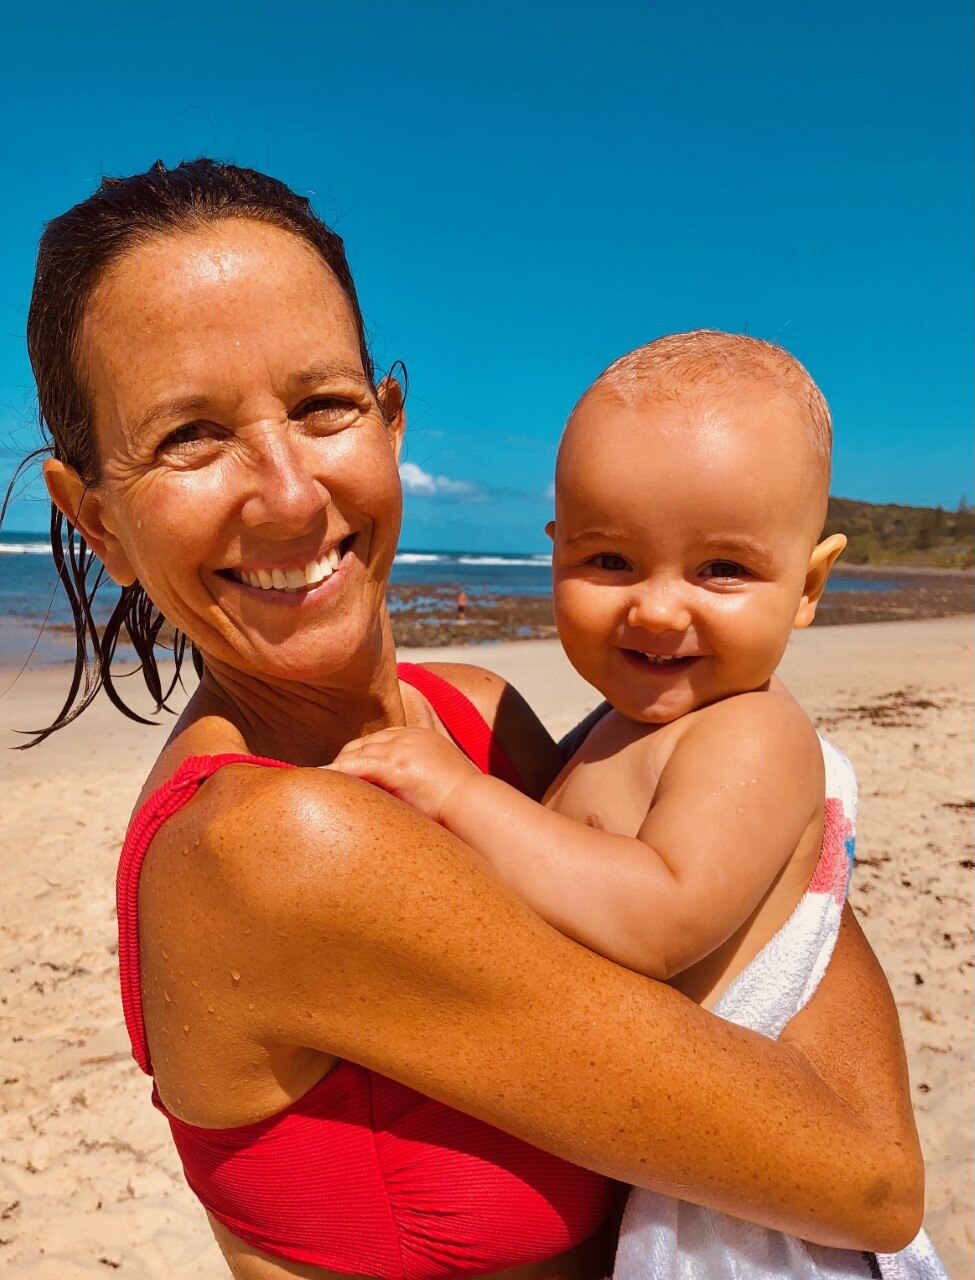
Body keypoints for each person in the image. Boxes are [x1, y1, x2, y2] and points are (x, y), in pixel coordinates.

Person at [23, 159, 925, 1280]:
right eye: (191, 436)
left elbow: (701, 945)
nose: (293, 491)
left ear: (390, 422)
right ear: (93, 517)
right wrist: (791, 792)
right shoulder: (278, 846)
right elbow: (869, 1176)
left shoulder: (473, 714)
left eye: (322, 406)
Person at [329, 332, 945, 1278]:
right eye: (610, 560)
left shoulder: (752, 732)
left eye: (722, 571)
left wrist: (460, 794)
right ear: (554, 555)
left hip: (751, 1240)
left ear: (810, 586)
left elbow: (657, 917)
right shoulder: (613, 728)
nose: (657, 609)